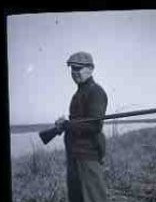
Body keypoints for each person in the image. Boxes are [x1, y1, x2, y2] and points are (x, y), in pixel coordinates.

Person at [55, 52, 108, 202]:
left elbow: (94, 126)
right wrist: (65, 124)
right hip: (74, 156)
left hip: (87, 156)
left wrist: (68, 125)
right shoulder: (79, 93)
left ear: (91, 69)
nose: (75, 73)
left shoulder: (96, 92)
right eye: (72, 69)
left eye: (78, 68)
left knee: (94, 198)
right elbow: (79, 122)